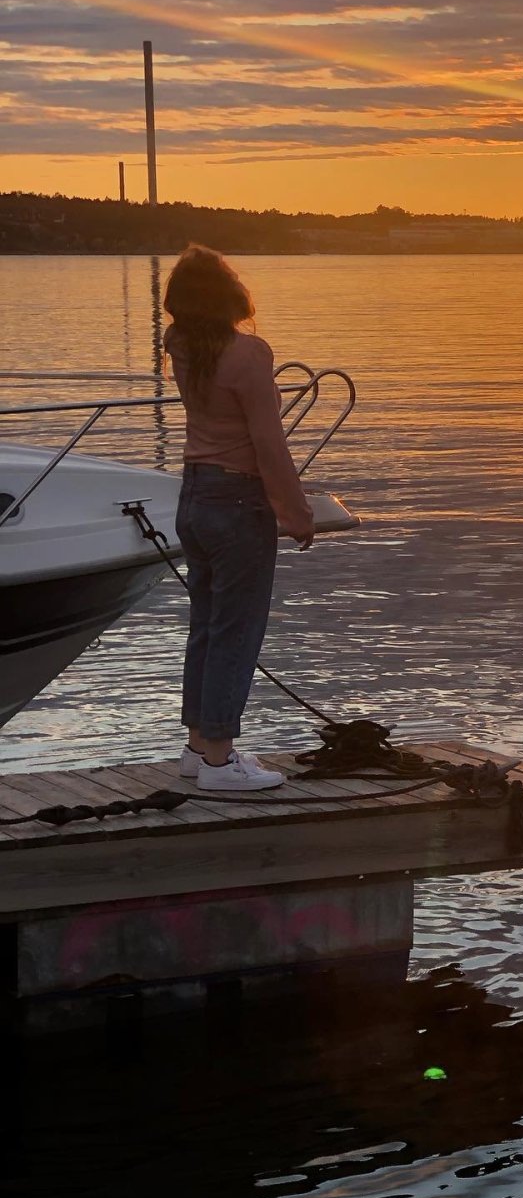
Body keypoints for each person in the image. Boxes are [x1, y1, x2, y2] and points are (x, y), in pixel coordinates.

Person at [164, 244, 315, 791]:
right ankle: (220, 763)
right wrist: (295, 512)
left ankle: (198, 748)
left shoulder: (180, 345)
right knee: (236, 631)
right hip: (236, 503)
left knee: (206, 626)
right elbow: (267, 443)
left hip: (194, 498)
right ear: (230, 296)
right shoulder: (248, 355)